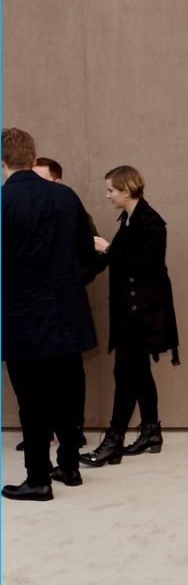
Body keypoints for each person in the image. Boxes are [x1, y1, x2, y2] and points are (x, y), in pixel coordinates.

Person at [2, 128, 97, 498]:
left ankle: (38, 478)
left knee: (32, 402)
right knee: (67, 395)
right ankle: (70, 468)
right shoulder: (65, 196)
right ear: (32, 155)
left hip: (21, 318)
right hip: (66, 315)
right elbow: (87, 253)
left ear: (3, 161)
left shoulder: (4, 201)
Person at [80, 165, 179, 466]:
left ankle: (114, 440)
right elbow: (117, 262)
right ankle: (151, 430)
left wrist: (108, 250)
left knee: (126, 374)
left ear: (125, 189)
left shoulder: (152, 223)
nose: (107, 195)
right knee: (138, 372)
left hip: (143, 315)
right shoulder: (129, 220)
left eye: (111, 189)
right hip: (131, 315)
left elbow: (145, 266)